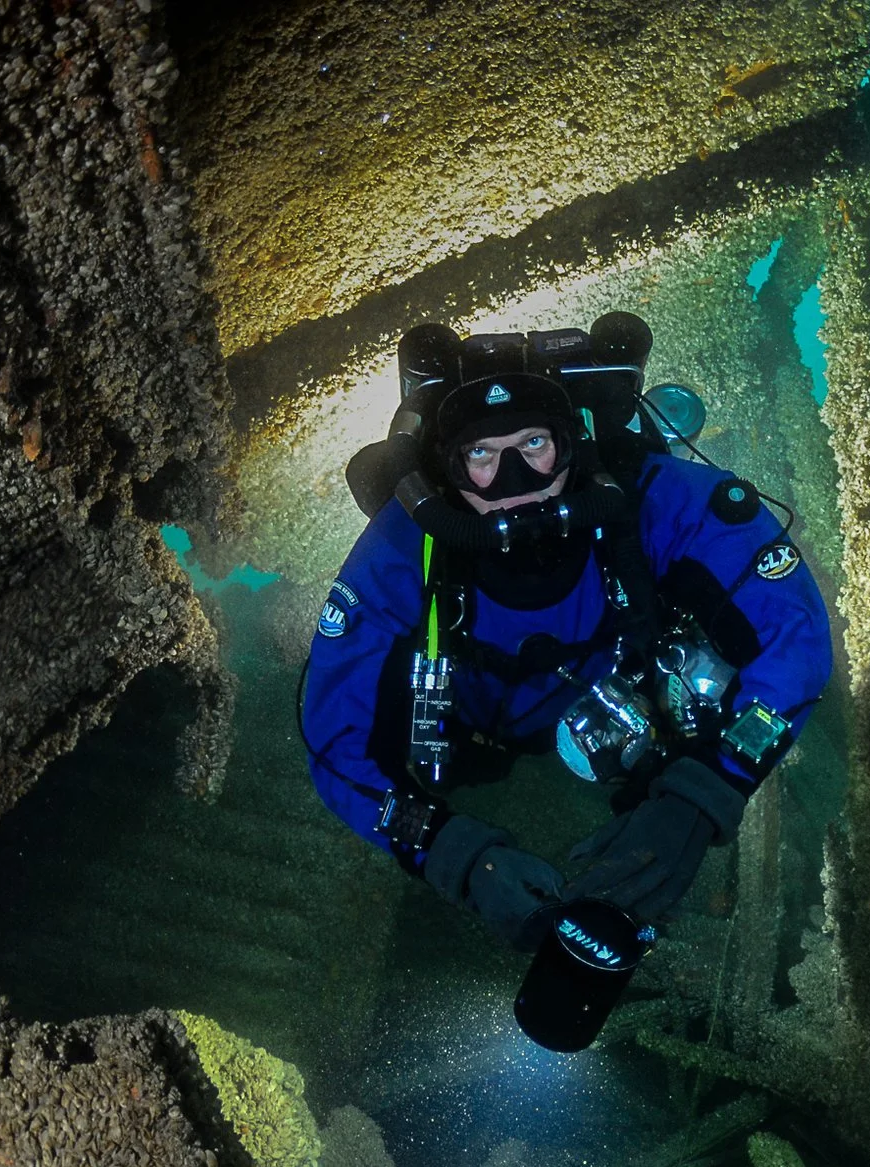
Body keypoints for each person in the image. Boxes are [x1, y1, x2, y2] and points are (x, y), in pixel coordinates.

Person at [300, 333, 832, 953]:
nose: (515, 480)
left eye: (533, 445)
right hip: (473, 734)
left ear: (570, 446)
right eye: (482, 455)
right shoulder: (399, 550)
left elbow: (795, 637)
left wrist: (711, 787)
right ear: (447, 472)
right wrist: (444, 846)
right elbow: (334, 738)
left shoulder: (658, 500)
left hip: (621, 691)